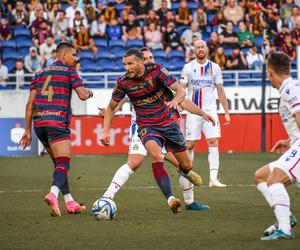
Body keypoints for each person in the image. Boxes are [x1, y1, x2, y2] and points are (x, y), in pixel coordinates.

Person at [99, 47, 214, 212]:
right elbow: (112, 106)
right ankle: (170, 198)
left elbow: (181, 93)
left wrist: (200, 112)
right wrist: (105, 130)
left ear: (141, 62)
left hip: (169, 124)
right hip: (146, 126)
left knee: (186, 165)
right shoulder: (124, 82)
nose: (126, 67)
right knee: (154, 155)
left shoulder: (158, 73)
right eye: (125, 64)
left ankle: (187, 183)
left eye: (130, 63)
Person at [19, 42, 93, 217]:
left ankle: (69, 202)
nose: (76, 59)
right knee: (64, 163)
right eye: (74, 55)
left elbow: (30, 103)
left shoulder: (39, 73)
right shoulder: (70, 71)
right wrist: (89, 91)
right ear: (63, 55)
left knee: (58, 164)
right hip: (57, 122)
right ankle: (53, 194)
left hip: (39, 124)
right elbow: (82, 95)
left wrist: (27, 130)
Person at [254, 52, 299, 240]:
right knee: (261, 176)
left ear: (270, 72)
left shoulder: (290, 90)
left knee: (275, 179)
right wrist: (289, 141)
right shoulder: (291, 88)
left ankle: (285, 229)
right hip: (296, 144)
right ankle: (285, 217)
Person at [180, 39, 231, 187]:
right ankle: (187, 173)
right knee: (190, 144)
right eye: (197, 47)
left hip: (210, 111)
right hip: (193, 111)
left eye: (202, 47)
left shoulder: (215, 68)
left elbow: (220, 90)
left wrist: (226, 112)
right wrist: (178, 104)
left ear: (207, 49)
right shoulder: (188, 68)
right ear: (194, 50)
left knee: (213, 141)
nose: (200, 49)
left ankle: (213, 178)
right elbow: (181, 89)